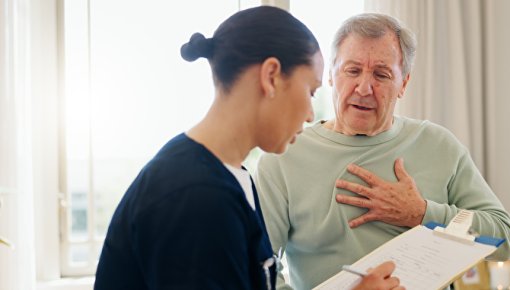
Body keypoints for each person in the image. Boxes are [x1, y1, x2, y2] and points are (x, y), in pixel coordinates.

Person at [94, 6, 403, 290]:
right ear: (271, 77)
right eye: (310, 91)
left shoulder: (232, 178)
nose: (311, 114)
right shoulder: (195, 197)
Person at [254, 12, 510, 290]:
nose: (364, 88)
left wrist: (422, 213)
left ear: (404, 83)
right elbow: (257, 269)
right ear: (330, 75)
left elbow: (504, 239)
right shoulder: (285, 155)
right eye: (352, 70)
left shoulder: (439, 145)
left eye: (381, 74)